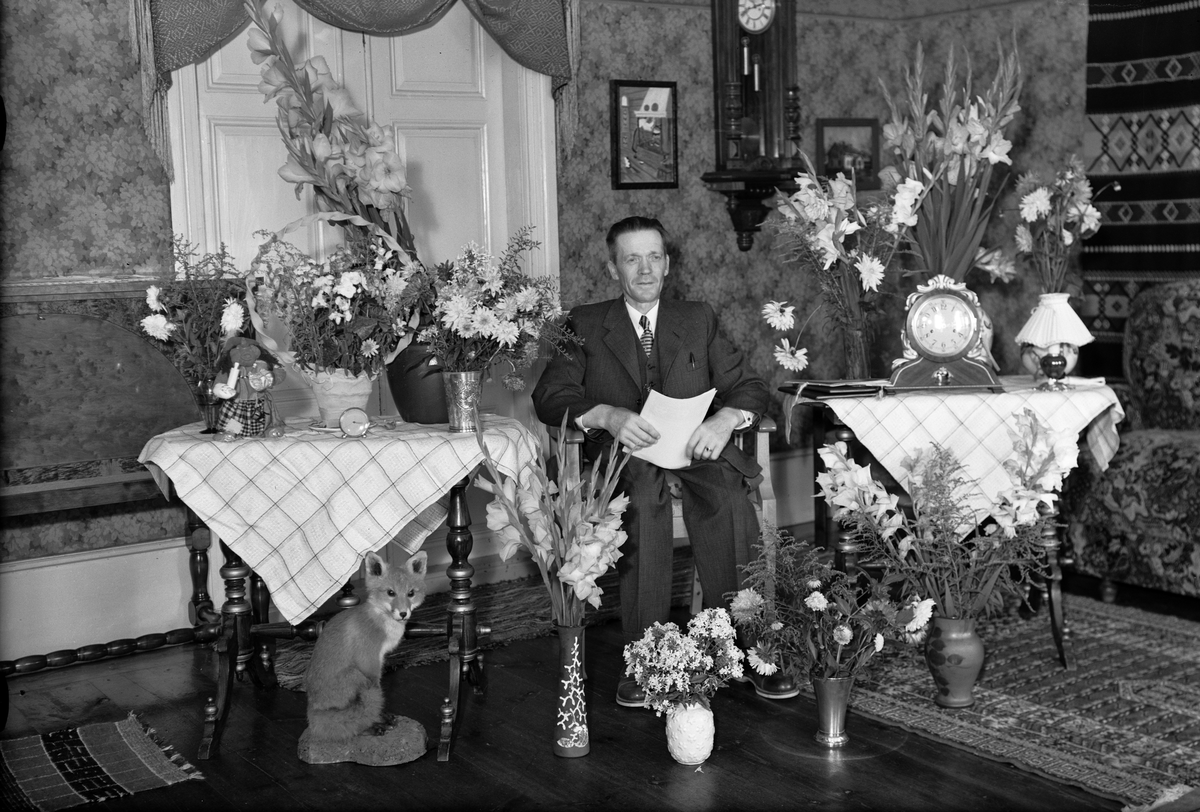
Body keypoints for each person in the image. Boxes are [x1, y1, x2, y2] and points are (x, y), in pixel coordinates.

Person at [533, 216, 798, 706]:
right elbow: (549, 397)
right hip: (624, 457)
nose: (645, 269)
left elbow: (749, 386)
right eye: (632, 259)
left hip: (693, 450)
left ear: (668, 264)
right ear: (613, 268)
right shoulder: (584, 324)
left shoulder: (697, 318)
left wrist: (726, 420)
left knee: (728, 495)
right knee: (642, 502)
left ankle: (750, 648)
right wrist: (608, 415)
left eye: (654, 257)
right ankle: (645, 658)